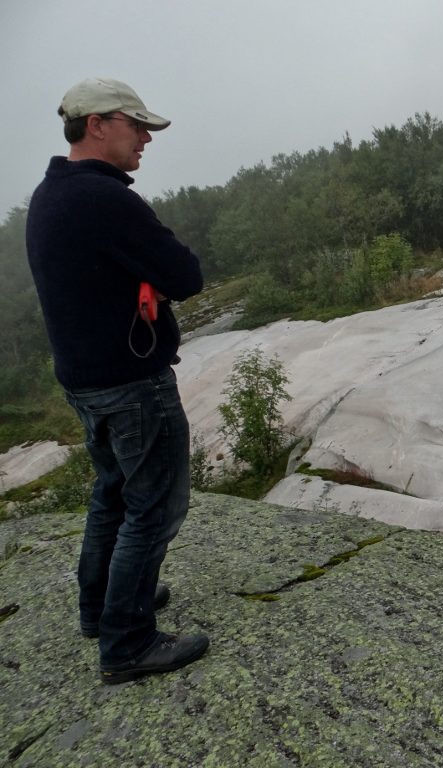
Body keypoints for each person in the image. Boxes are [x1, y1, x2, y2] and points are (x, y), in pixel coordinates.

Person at [26, 78, 207, 684]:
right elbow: (184, 274)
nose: (147, 140)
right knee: (153, 507)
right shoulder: (106, 200)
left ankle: (99, 608)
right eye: (138, 126)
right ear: (98, 124)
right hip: (132, 385)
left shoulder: (51, 194)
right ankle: (127, 643)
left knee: (112, 492)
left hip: (86, 381)